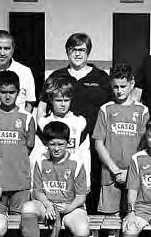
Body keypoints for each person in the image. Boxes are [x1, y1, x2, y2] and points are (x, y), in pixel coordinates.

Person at [19, 122, 90, 237]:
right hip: (47, 205)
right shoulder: (40, 160)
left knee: (82, 230)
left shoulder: (77, 162)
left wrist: (67, 208)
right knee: (28, 208)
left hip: (71, 207)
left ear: (68, 143)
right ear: (46, 144)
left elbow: (81, 196)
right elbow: (37, 190)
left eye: (60, 144)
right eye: (52, 144)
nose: (56, 148)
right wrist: (48, 204)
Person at [43, 33, 110, 212]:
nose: (78, 54)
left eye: (82, 50)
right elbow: (42, 106)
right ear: (67, 52)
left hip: (94, 141)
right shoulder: (57, 76)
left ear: (88, 52)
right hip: (65, 141)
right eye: (74, 50)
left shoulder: (101, 77)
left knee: (91, 180)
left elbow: (111, 107)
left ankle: (90, 217)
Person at [93, 63, 149, 214]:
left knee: (134, 216)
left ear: (132, 84)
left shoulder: (142, 110)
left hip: (135, 175)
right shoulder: (106, 109)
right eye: (115, 87)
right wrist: (115, 170)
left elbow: (146, 146)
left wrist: (129, 172)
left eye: (123, 86)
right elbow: (99, 144)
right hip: (110, 175)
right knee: (110, 220)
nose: (119, 91)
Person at [0, 70, 36, 236]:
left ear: (18, 92)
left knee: (19, 225)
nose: (7, 96)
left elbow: (29, 146)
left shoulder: (27, 118)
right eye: (3, 92)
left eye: (12, 92)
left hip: (19, 181)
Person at [32, 76, 90, 182]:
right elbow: (39, 154)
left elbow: (84, 154)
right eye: (58, 100)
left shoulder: (80, 122)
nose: (63, 104)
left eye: (66, 100)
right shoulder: (43, 123)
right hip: (50, 177)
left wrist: (86, 181)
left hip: (72, 176)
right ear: (51, 100)